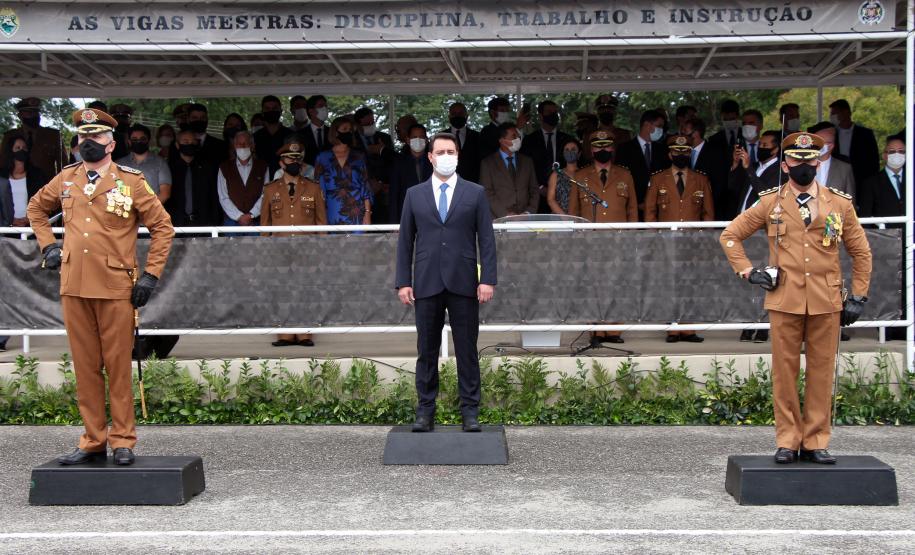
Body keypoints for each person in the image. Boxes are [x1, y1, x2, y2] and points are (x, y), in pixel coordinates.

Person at [27, 108, 174, 466]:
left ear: (111, 142)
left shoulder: (131, 181)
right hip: (74, 284)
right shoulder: (65, 179)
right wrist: (48, 245)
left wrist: (151, 275)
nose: (88, 143)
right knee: (85, 366)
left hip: (115, 286)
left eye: (95, 137)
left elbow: (163, 228)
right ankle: (93, 439)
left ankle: (122, 439)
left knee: (118, 365)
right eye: (82, 138)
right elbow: (36, 208)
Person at [720, 131, 872, 464]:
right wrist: (748, 271)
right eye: (796, 160)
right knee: (784, 373)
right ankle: (787, 439)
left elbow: (861, 252)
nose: (803, 166)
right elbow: (730, 235)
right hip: (785, 299)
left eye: (809, 160)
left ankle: (816, 440)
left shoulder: (839, 204)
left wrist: (858, 295)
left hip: (826, 301)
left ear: (817, 162)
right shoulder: (770, 202)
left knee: (821, 372)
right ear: (786, 164)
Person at [394, 132, 497, 433]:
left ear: (458, 155)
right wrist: (403, 282)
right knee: (426, 350)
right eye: (440, 151)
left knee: (467, 349)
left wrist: (487, 279)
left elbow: (487, 240)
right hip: (425, 283)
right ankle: (425, 410)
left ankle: (470, 411)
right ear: (430, 157)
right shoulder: (414, 194)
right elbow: (405, 242)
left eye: (450, 151)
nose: (445, 156)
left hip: (465, 282)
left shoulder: (475, 193)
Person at [644, 135, 714, 343]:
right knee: (670, 286)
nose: (681, 155)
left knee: (691, 284)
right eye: (677, 152)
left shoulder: (700, 178)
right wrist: (653, 240)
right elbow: (650, 212)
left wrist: (703, 240)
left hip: (692, 243)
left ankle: (689, 328)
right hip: (666, 242)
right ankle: (672, 328)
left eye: (685, 152)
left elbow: (708, 213)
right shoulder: (658, 178)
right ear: (669, 154)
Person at [260, 141, 327, 348]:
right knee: (282, 290)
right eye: (290, 159)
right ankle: (285, 332)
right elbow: (265, 225)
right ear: (281, 162)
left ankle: (305, 332)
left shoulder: (313, 187)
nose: (294, 162)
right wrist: (266, 251)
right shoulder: (270, 189)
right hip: (279, 250)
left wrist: (320, 251)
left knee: (305, 289)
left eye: (298, 159)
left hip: (306, 249)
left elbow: (321, 223)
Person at [575, 130, 637, 344]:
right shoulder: (581, 176)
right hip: (590, 242)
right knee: (593, 285)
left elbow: (632, 212)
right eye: (598, 146)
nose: (603, 150)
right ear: (592, 150)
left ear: (613, 149)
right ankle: (595, 329)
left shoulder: (625, 175)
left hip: (617, 240)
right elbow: (573, 213)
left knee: (616, 284)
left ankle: (613, 329)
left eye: (607, 146)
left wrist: (632, 239)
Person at [728, 130, 784, 343]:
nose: (761, 147)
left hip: (764, 231)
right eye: (759, 143)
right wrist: (736, 166)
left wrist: (749, 169)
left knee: (766, 279)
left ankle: (763, 326)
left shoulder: (780, 170)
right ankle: (747, 323)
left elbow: (767, 196)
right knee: (745, 277)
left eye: (765, 144)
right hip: (745, 229)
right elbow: (732, 189)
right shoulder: (757, 167)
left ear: (776, 148)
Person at [858, 136, 907, 341]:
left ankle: (907, 327)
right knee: (887, 285)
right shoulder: (872, 182)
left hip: (909, 242)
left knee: (908, 285)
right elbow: (867, 217)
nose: (897, 156)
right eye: (893, 151)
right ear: (885, 155)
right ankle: (889, 329)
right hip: (886, 245)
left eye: (901, 151)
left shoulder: (912, 180)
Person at [314, 116, 373, 226]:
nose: (349, 132)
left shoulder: (359, 157)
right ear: (335, 132)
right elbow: (319, 191)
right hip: (331, 211)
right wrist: (320, 219)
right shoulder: (322, 157)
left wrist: (367, 214)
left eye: (351, 130)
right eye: (345, 129)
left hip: (356, 212)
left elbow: (366, 188)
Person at [520, 100, 574, 213]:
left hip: (563, 196)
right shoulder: (529, 140)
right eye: (549, 112)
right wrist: (539, 187)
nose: (553, 115)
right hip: (536, 197)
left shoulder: (567, 139)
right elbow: (524, 168)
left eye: (555, 112)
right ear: (540, 115)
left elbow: (573, 166)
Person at [614, 109, 670, 218]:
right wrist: (636, 203)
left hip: (658, 210)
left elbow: (666, 178)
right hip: (633, 209)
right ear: (647, 125)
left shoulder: (662, 150)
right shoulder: (624, 149)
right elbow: (621, 180)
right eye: (659, 126)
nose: (661, 130)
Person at [479, 122, 539, 218]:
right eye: (514, 136)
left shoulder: (527, 161)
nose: (518, 139)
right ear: (502, 140)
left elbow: (534, 189)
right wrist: (505, 214)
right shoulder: (487, 163)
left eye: (518, 136)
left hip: (525, 219)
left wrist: (529, 212)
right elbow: (486, 192)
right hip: (499, 219)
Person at [165, 130, 221, 227]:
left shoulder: (208, 169)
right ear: (177, 145)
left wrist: (215, 222)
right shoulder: (168, 169)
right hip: (175, 224)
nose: (190, 144)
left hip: (204, 224)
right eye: (186, 141)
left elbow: (214, 196)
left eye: (193, 141)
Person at [0, 97, 65, 179]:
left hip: (46, 185)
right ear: (20, 115)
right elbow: (2, 162)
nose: (34, 116)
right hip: (16, 184)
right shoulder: (10, 136)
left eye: (36, 112)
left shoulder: (53, 135)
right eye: (29, 112)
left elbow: (63, 164)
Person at [217, 130, 269, 228]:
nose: (242, 146)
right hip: (231, 221)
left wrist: (252, 214)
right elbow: (223, 197)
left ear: (253, 146)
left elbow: (265, 194)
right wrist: (238, 216)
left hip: (256, 221)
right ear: (234, 146)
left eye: (246, 143)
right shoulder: (224, 167)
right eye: (239, 144)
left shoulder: (263, 167)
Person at [682, 117, 730, 221]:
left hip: (711, 210)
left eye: (685, 132)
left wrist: (706, 206)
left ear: (696, 133)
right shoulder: (683, 153)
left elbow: (720, 184)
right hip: (688, 212)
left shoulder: (716, 153)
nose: (683, 136)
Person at [355, 107, 395, 223]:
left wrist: (383, 184)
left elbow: (392, 162)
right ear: (358, 125)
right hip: (363, 191)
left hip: (385, 191)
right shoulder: (353, 140)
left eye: (372, 122)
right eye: (367, 124)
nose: (371, 125)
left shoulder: (385, 138)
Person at [117, 124, 173, 205]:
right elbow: (113, 191)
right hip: (126, 214)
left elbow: (165, 194)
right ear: (129, 142)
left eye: (142, 139)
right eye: (134, 139)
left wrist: (146, 211)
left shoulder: (160, 163)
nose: (139, 142)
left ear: (148, 140)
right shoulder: (119, 164)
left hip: (151, 214)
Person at [829, 99, 880, 187]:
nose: (831, 117)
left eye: (834, 113)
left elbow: (874, 161)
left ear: (846, 112)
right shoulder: (831, 134)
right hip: (837, 179)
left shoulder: (865, 134)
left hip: (861, 180)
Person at [389, 123, 433, 224]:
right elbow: (394, 195)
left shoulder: (434, 162)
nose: (418, 140)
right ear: (408, 140)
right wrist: (394, 223)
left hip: (431, 215)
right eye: (414, 137)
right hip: (406, 215)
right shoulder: (399, 163)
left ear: (426, 140)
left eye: (421, 137)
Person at [0, 133, 47, 227]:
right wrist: (10, 220)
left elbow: (44, 199)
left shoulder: (36, 175)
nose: (22, 150)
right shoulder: (2, 175)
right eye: (18, 148)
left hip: (30, 227)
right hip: (6, 228)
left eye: (24, 148)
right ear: (11, 151)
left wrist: (30, 218)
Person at [808, 122, 856, 200]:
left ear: (830, 146)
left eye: (819, 142)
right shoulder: (801, 165)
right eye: (813, 142)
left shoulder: (844, 169)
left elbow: (850, 200)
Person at [253, 95, 293, 175]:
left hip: (285, 180)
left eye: (274, 108)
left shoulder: (291, 135)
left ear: (280, 111)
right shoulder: (255, 137)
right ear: (262, 112)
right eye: (267, 109)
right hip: (261, 180)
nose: (271, 111)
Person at [442, 102, 482, 183]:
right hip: (447, 182)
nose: (457, 116)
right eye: (454, 114)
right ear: (449, 117)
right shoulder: (441, 137)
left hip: (473, 184)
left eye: (460, 113)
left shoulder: (477, 137)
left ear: (466, 116)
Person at [545, 137, 581, 216]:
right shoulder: (556, 174)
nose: (570, 152)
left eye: (573, 149)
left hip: (580, 219)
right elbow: (551, 200)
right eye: (567, 150)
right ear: (563, 153)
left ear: (579, 153)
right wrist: (565, 217)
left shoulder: (584, 173)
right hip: (560, 220)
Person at [187, 103, 228, 168]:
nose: (199, 121)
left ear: (207, 120)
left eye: (202, 118)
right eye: (195, 118)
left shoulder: (220, 146)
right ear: (188, 120)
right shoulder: (180, 144)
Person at [299, 94, 330, 166]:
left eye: (326, 106)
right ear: (311, 111)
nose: (325, 108)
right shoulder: (300, 134)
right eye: (321, 106)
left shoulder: (333, 132)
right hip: (307, 174)